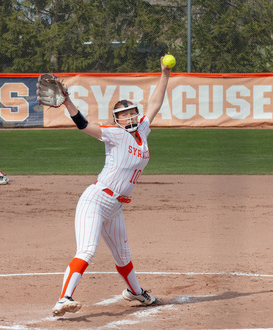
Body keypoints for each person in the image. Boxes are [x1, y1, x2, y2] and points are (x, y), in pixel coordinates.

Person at [48, 58, 171, 317]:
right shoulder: (114, 135)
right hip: (95, 200)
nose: (130, 117)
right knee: (87, 250)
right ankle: (63, 299)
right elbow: (83, 125)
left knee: (123, 256)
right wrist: (68, 102)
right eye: (123, 115)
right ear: (117, 120)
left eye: (132, 113)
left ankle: (136, 292)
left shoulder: (143, 131)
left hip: (115, 207)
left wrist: (165, 73)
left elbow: (156, 103)